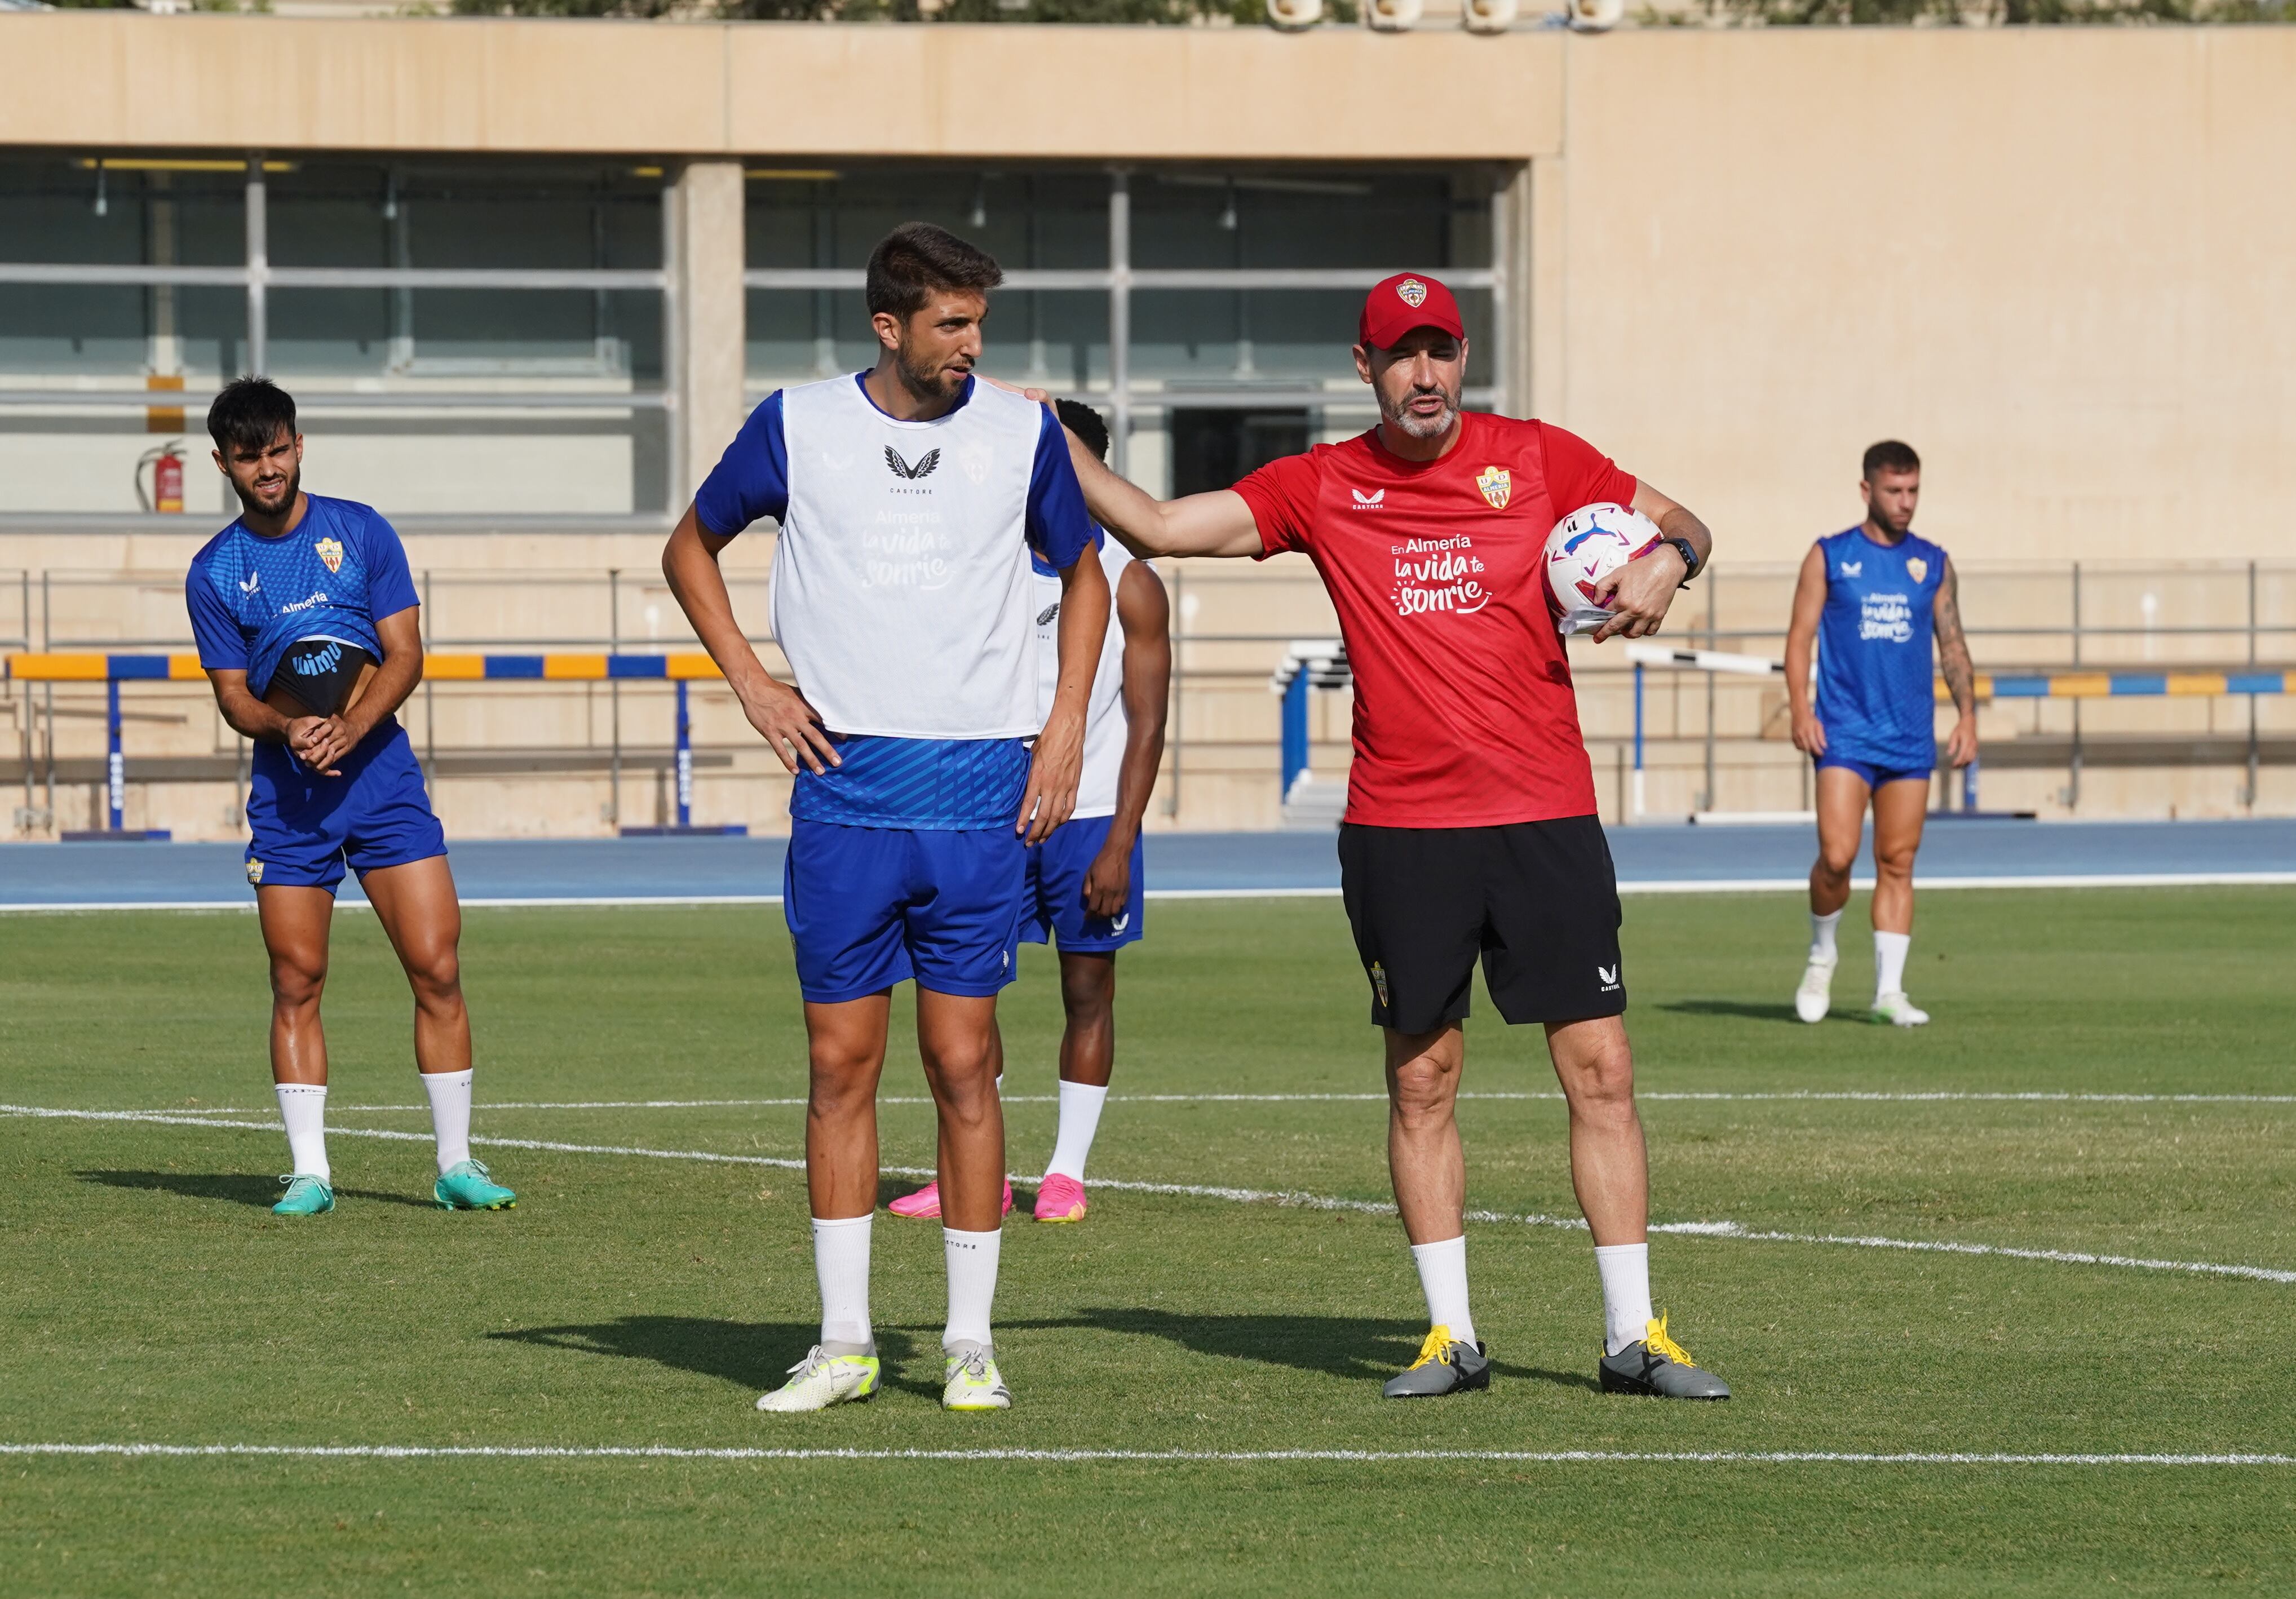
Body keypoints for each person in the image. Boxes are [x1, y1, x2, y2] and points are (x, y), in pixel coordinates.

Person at [1045, 273, 1731, 1401]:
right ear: (1363, 369)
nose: (1426, 373)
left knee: (1600, 1068)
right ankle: (1448, 1334)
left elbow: (1686, 523)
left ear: (1463, 358)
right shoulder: (1319, 483)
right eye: (1401, 354)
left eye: (1442, 350)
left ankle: (1631, 1335)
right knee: (1421, 1077)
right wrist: (1037, 431)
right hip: (1402, 826)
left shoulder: (1543, 456)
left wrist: (1669, 560)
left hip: (1543, 812)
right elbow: (1160, 526)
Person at [662, 223, 1108, 1415]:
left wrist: (1062, 726)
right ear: (889, 325)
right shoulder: (795, 425)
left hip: (975, 792)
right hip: (845, 791)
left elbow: (1087, 572)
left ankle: (969, 1341)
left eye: (979, 323)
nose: (971, 346)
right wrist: (753, 683)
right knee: (835, 1064)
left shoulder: (1021, 431)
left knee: (964, 1064)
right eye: (951, 324)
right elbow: (688, 544)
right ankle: (845, 1339)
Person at [184, 378, 514, 1219]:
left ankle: (457, 1163)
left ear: (300, 445)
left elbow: (405, 652)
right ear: (222, 462)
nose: (269, 467)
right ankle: (310, 1173)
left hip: (384, 782)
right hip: (290, 799)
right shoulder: (214, 571)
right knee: (297, 977)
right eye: (251, 455)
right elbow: (232, 696)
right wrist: (285, 730)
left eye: (280, 448)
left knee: (437, 965)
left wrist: (354, 724)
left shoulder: (359, 531)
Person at [887, 400, 1171, 1227]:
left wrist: (1120, 838)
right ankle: (968, 1166)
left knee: (1088, 992)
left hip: (1088, 823)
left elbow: (1148, 724)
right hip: (989, 817)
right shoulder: (989, 567)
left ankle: (1065, 1173)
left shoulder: (1130, 579)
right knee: (962, 993)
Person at [1785, 440, 1978, 1027]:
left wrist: (1967, 714)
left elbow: (1951, 643)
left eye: (1913, 490)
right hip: (1843, 731)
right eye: (1894, 491)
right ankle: (1821, 952)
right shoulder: (1829, 556)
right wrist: (1799, 707)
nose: (1905, 502)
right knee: (1837, 856)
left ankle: (1888, 991)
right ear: (1867, 490)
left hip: (1909, 738)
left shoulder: (1933, 563)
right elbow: (1798, 638)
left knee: (1897, 860)